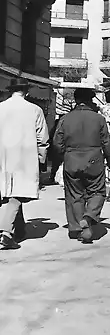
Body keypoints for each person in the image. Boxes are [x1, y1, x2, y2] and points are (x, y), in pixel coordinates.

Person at [53, 88, 110, 243]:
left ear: (75, 100)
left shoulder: (65, 119)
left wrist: (63, 155)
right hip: (94, 160)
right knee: (97, 192)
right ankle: (89, 217)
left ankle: (75, 228)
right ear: (91, 100)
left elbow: (57, 143)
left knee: (74, 195)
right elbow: (106, 142)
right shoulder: (98, 119)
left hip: (72, 160)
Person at [0, 80, 49, 250]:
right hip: (24, 156)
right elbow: (42, 138)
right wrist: (42, 159)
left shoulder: (0, 108)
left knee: (8, 192)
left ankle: (19, 230)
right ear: (26, 92)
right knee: (18, 193)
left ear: (11, 91)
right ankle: (5, 232)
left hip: (3, 155)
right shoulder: (35, 110)